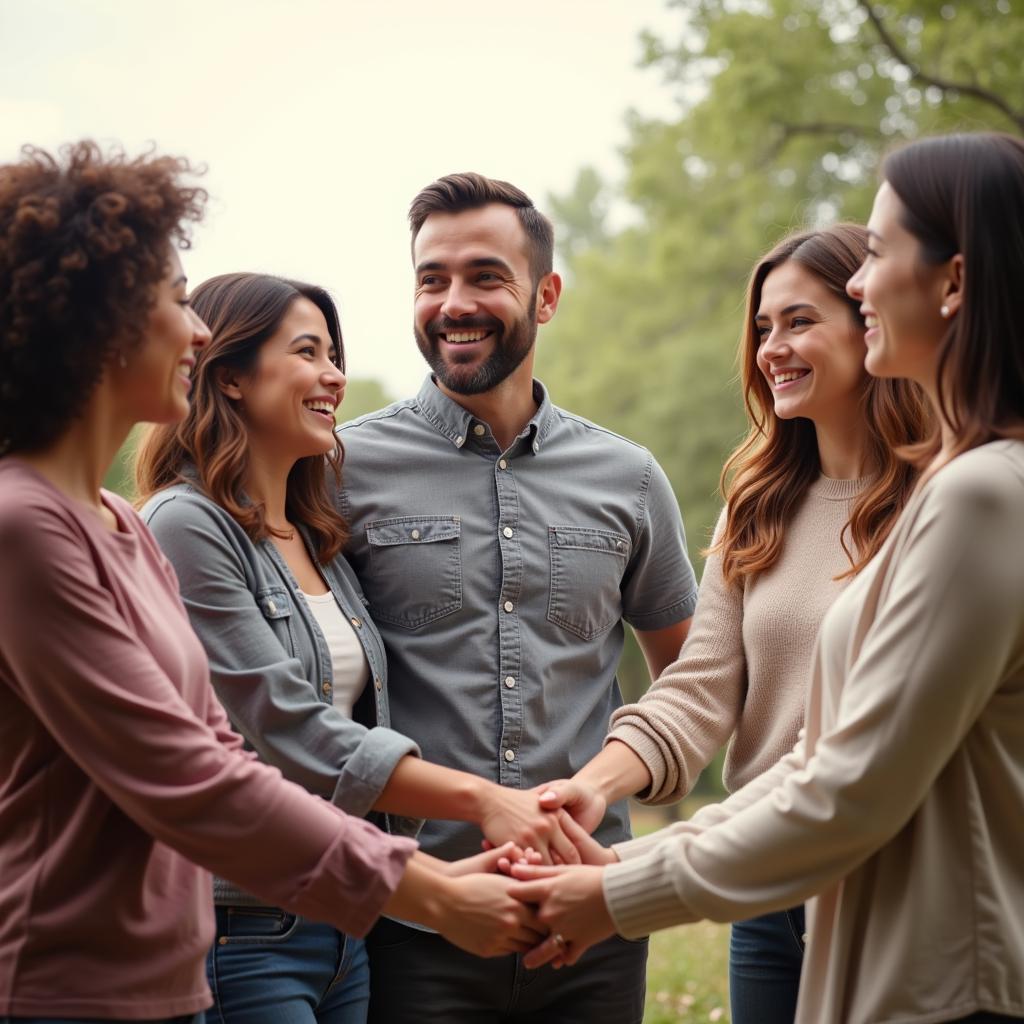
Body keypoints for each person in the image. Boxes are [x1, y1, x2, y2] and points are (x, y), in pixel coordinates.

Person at [0, 142, 542, 1024]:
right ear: (96, 320)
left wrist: (438, 874)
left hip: (167, 981)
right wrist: (434, 894)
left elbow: (217, 749)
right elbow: (190, 779)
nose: (200, 332)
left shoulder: (122, 527)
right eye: (177, 300)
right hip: (61, 988)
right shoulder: (25, 528)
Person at [510, 132, 1024, 1024]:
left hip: (940, 968)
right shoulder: (937, 485)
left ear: (954, 281)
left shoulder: (975, 496)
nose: (864, 282)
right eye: (763, 327)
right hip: (830, 913)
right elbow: (796, 749)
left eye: (881, 253)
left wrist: (617, 898)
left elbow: (848, 788)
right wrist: (617, 848)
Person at [134, 270, 580, 1024]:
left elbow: (359, 731)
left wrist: (433, 873)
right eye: (309, 352)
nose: (335, 376)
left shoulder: (320, 544)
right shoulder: (186, 525)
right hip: (244, 929)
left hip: (342, 925)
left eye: (335, 355)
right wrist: (481, 799)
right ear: (232, 375)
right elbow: (284, 726)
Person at [535, 222, 928, 1022]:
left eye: (799, 321)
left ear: (868, 321)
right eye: (761, 328)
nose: (771, 349)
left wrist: (631, 874)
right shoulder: (759, 503)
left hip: (884, 886)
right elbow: (702, 688)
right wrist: (589, 788)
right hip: (762, 892)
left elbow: (846, 748)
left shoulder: (936, 504)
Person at [335, 172, 698, 1023]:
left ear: (547, 295)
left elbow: (688, 681)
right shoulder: (336, 472)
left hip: (594, 917)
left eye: (486, 277)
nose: (454, 302)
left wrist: (613, 794)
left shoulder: (630, 478)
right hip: (416, 923)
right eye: (432, 279)